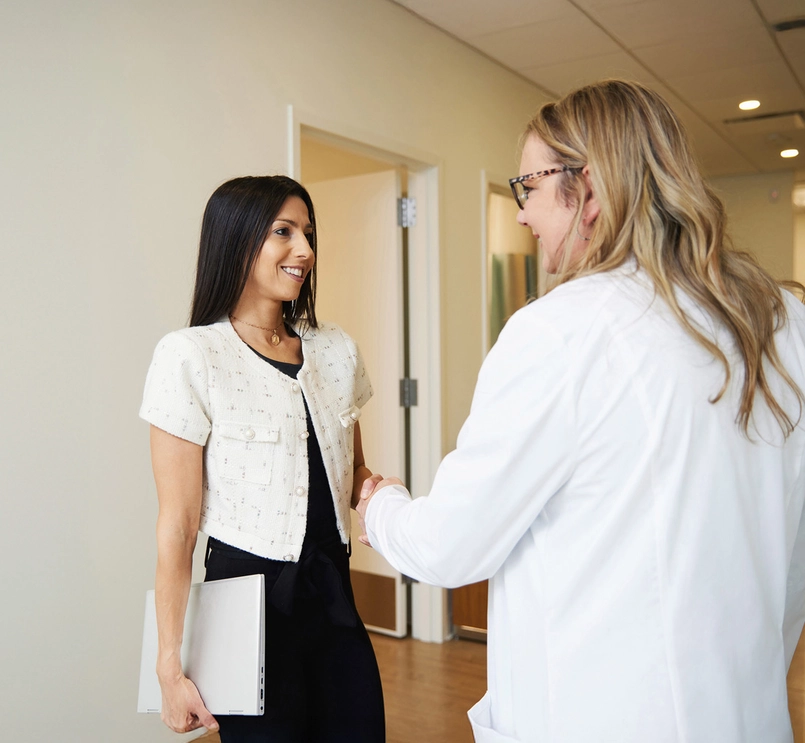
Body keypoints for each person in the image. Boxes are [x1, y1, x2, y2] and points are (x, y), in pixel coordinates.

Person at [357, 80, 805, 742]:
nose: (520, 214)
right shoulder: (784, 319)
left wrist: (382, 508)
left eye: (528, 188)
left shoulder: (559, 331)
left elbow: (450, 545)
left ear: (588, 190)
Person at [140, 175, 385, 742]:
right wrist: (169, 666)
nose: (305, 250)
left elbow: (352, 474)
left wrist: (380, 496)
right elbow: (177, 528)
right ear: (236, 240)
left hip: (334, 599)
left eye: (308, 232)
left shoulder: (335, 348)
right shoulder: (191, 356)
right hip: (244, 607)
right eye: (284, 232)